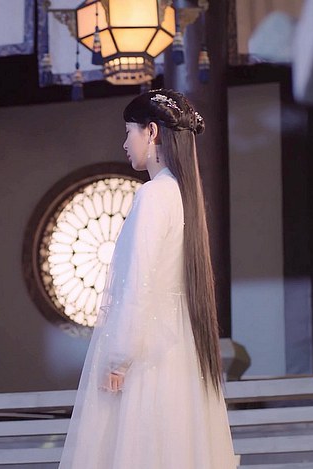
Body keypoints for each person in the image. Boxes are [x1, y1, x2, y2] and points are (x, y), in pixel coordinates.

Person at [59, 89, 237, 468]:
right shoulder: (184, 195)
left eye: (129, 132)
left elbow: (138, 282)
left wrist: (119, 358)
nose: (126, 143)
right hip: (179, 350)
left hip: (148, 351)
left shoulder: (154, 194)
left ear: (152, 131)